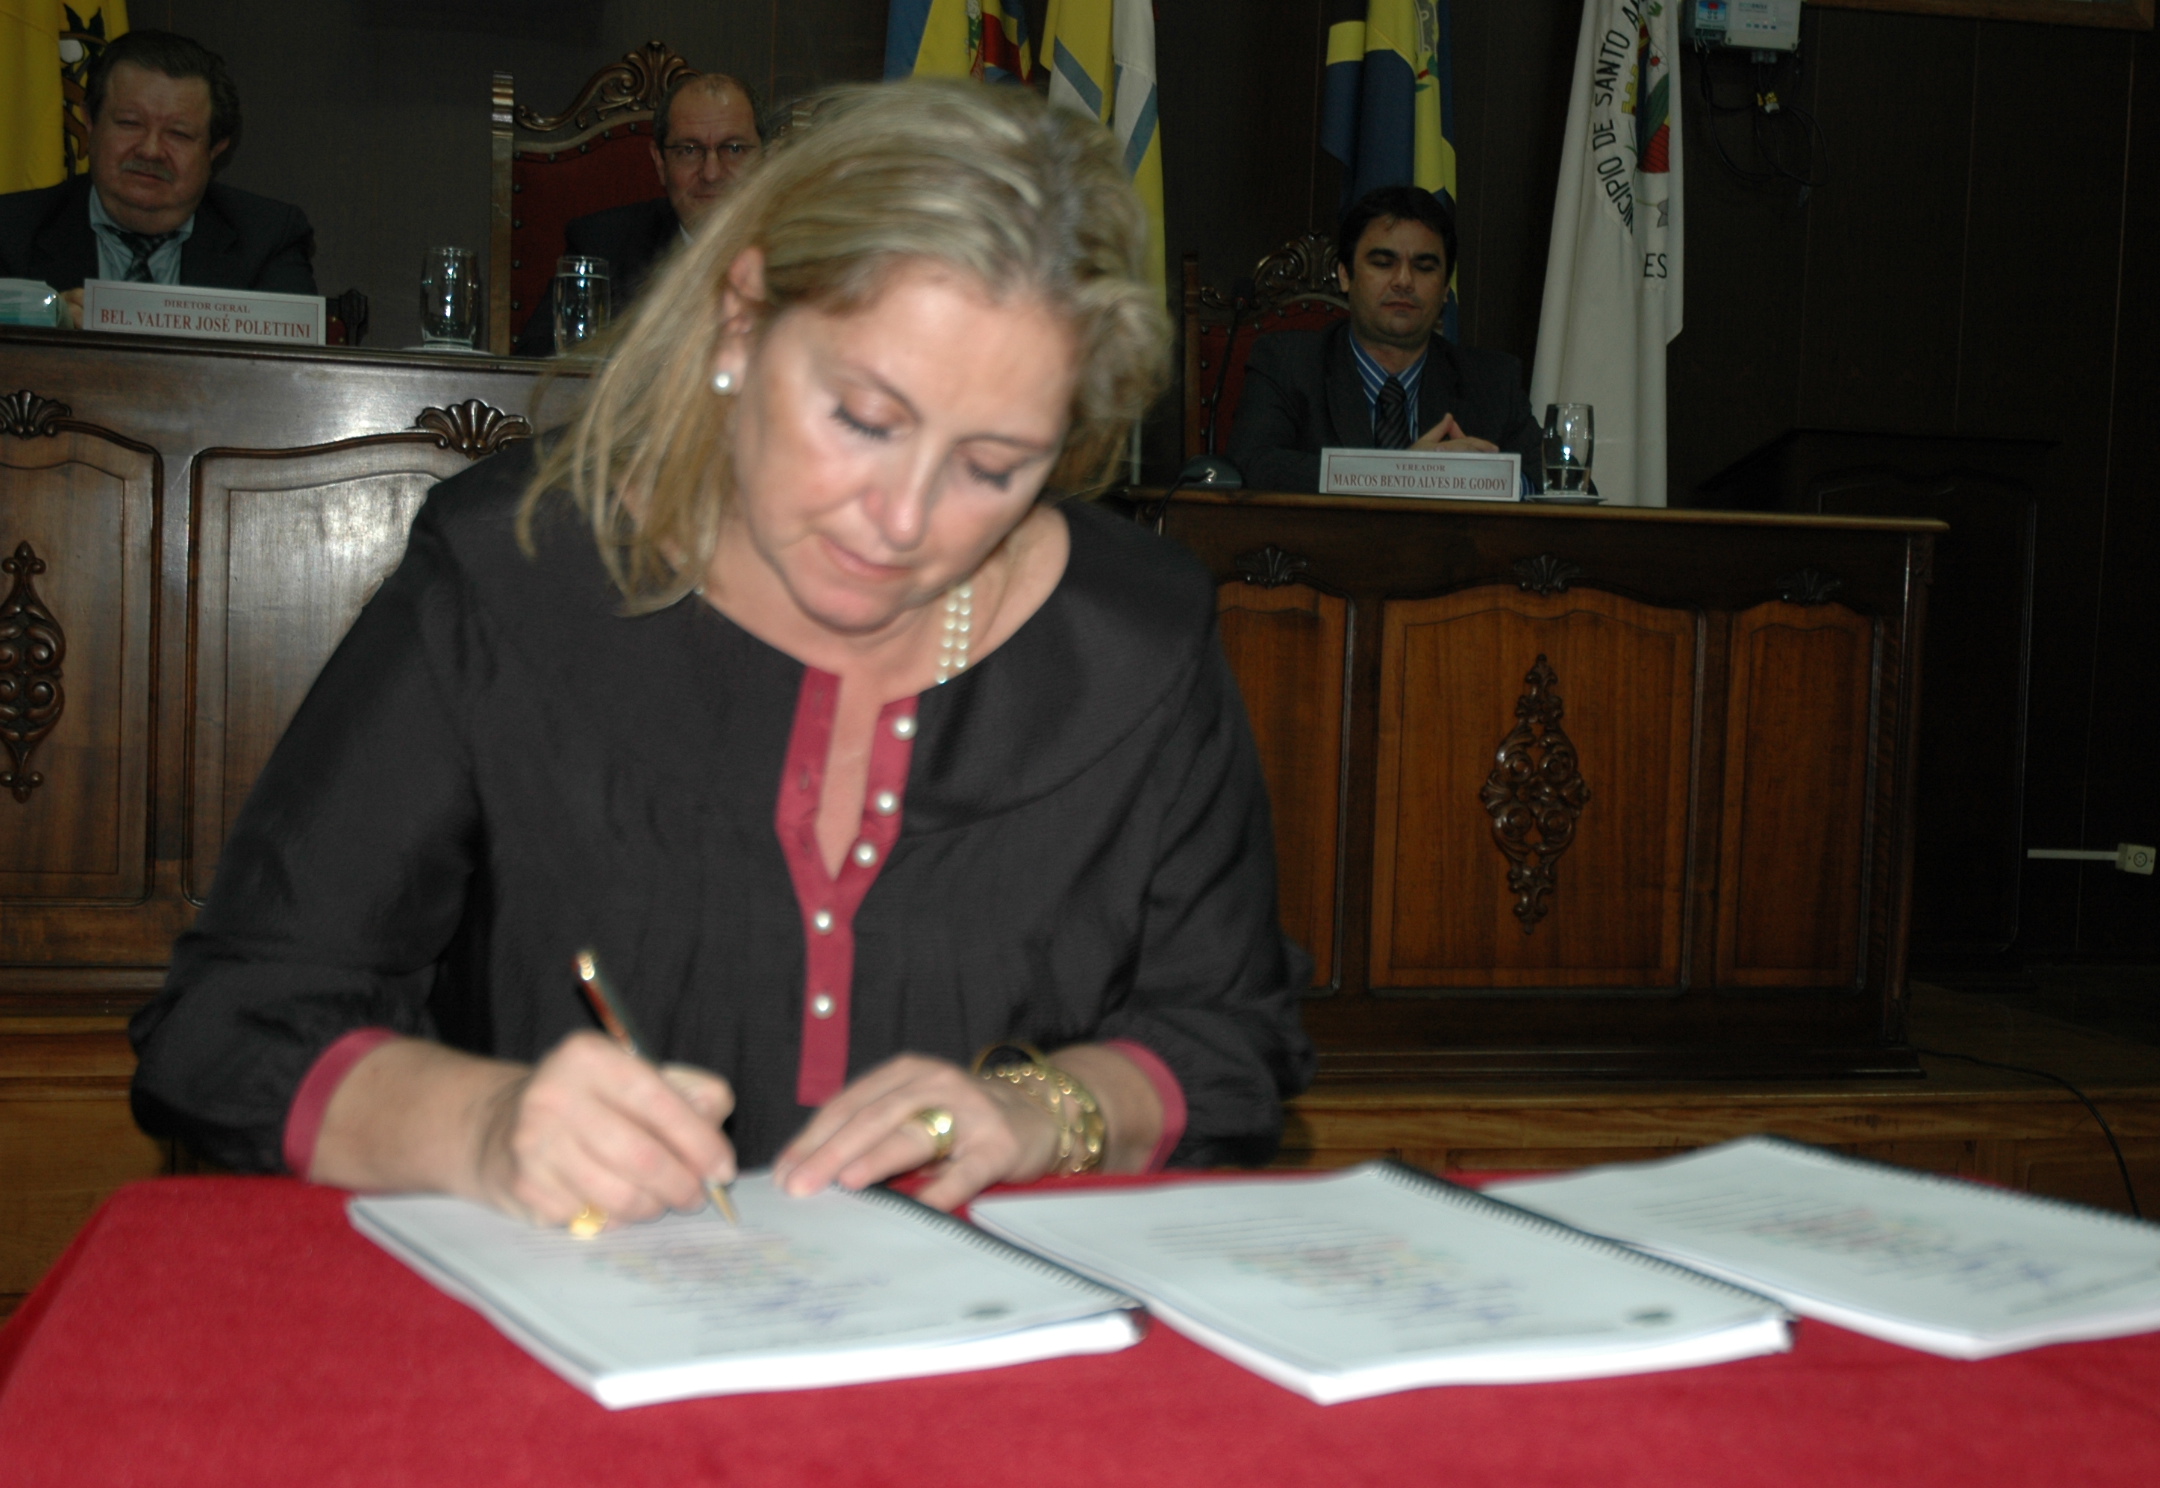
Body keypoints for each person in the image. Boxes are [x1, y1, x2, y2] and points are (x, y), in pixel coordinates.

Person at [129, 80, 1316, 1229]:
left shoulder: (1136, 640)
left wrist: (1046, 1113)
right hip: (570, 1318)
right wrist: (484, 1127)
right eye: (862, 419)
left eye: (993, 466)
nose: (902, 521)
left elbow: (1229, 1040)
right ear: (743, 319)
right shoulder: (515, 573)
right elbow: (231, 1027)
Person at [1223, 185, 1541, 494]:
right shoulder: (1287, 364)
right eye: (1383, 263)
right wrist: (1404, 473)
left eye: (1424, 267)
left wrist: (1489, 480)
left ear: (1445, 288)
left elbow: (1551, 483)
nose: (1404, 281)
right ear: (1345, 275)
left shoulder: (1492, 382)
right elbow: (1253, 465)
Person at [0, 29, 315, 324]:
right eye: (129, 123)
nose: (150, 151)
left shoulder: (266, 239)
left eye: (178, 134)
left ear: (215, 149)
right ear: (90, 124)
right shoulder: (10, 231)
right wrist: (39, 324)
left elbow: (291, 358)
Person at [513, 73, 762, 357]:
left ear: (769, 158)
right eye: (688, 150)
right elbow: (540, 363)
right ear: (660, 163)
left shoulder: (799, 250)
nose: (711, 173)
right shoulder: (605, 245)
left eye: (734, 149)